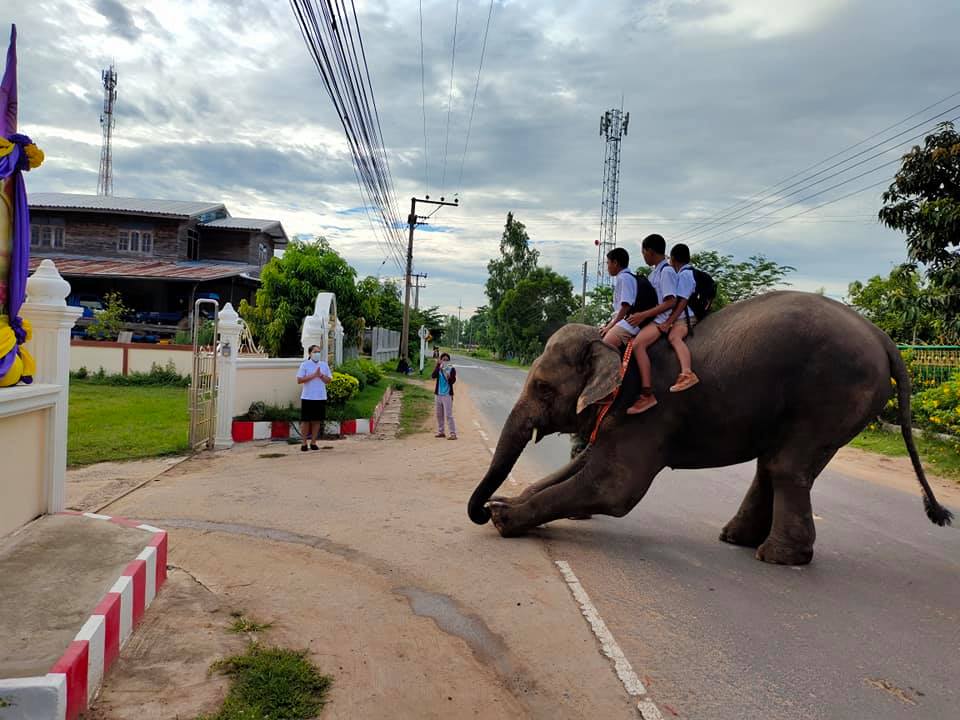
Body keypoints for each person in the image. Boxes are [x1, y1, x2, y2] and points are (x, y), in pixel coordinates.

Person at [624, 234, 679, 415]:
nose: (643, 256)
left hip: (661, 319)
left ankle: (647, 393)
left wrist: (643, 315)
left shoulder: (667, 272)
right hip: (653, 317)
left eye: (643, 252)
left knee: (639, 345)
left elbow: (670, 302)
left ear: (650, 251)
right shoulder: (655, 272)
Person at [664, 243, 700, 392]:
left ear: (673, 259)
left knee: (674, 337)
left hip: (687, 317)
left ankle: (687, 372)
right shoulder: (689, 272)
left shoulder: (685, 275)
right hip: (687, 314)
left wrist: (669, 321)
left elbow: (682, 300)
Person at [297, 345, 332, 451]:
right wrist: (314, 375)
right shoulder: (305, 365)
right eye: (315, 351)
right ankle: (304, 443)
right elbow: (299, 380)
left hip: (320, 397)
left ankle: (313, 442)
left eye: (319, 351)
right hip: (308, 397)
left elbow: (328, 380)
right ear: (310, 353)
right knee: (306, 421)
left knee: (317, 421)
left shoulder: (324, 365)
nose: (317, 354)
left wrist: (320, 375)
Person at [599, 247, 637, 347]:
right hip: (622, 319)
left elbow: (625, 307)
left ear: (615, 263)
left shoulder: (624, 278)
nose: (607, 267)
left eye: (608, 263)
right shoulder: (627, 277)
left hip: (627, 321)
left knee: (605, 345)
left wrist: (610, 326)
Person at [432, 352, 458, 440]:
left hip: (447, 395)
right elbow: (433, 376)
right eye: (444, 359)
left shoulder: (452, 369)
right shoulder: (439, 368)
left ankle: (453, 433)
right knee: (439, 414)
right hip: (438, 394)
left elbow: (453, 381)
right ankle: (441, 432)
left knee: (448, 415)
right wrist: (438, 366)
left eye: (447, 360)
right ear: (441, 360)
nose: (445, 361)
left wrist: (448, 377)